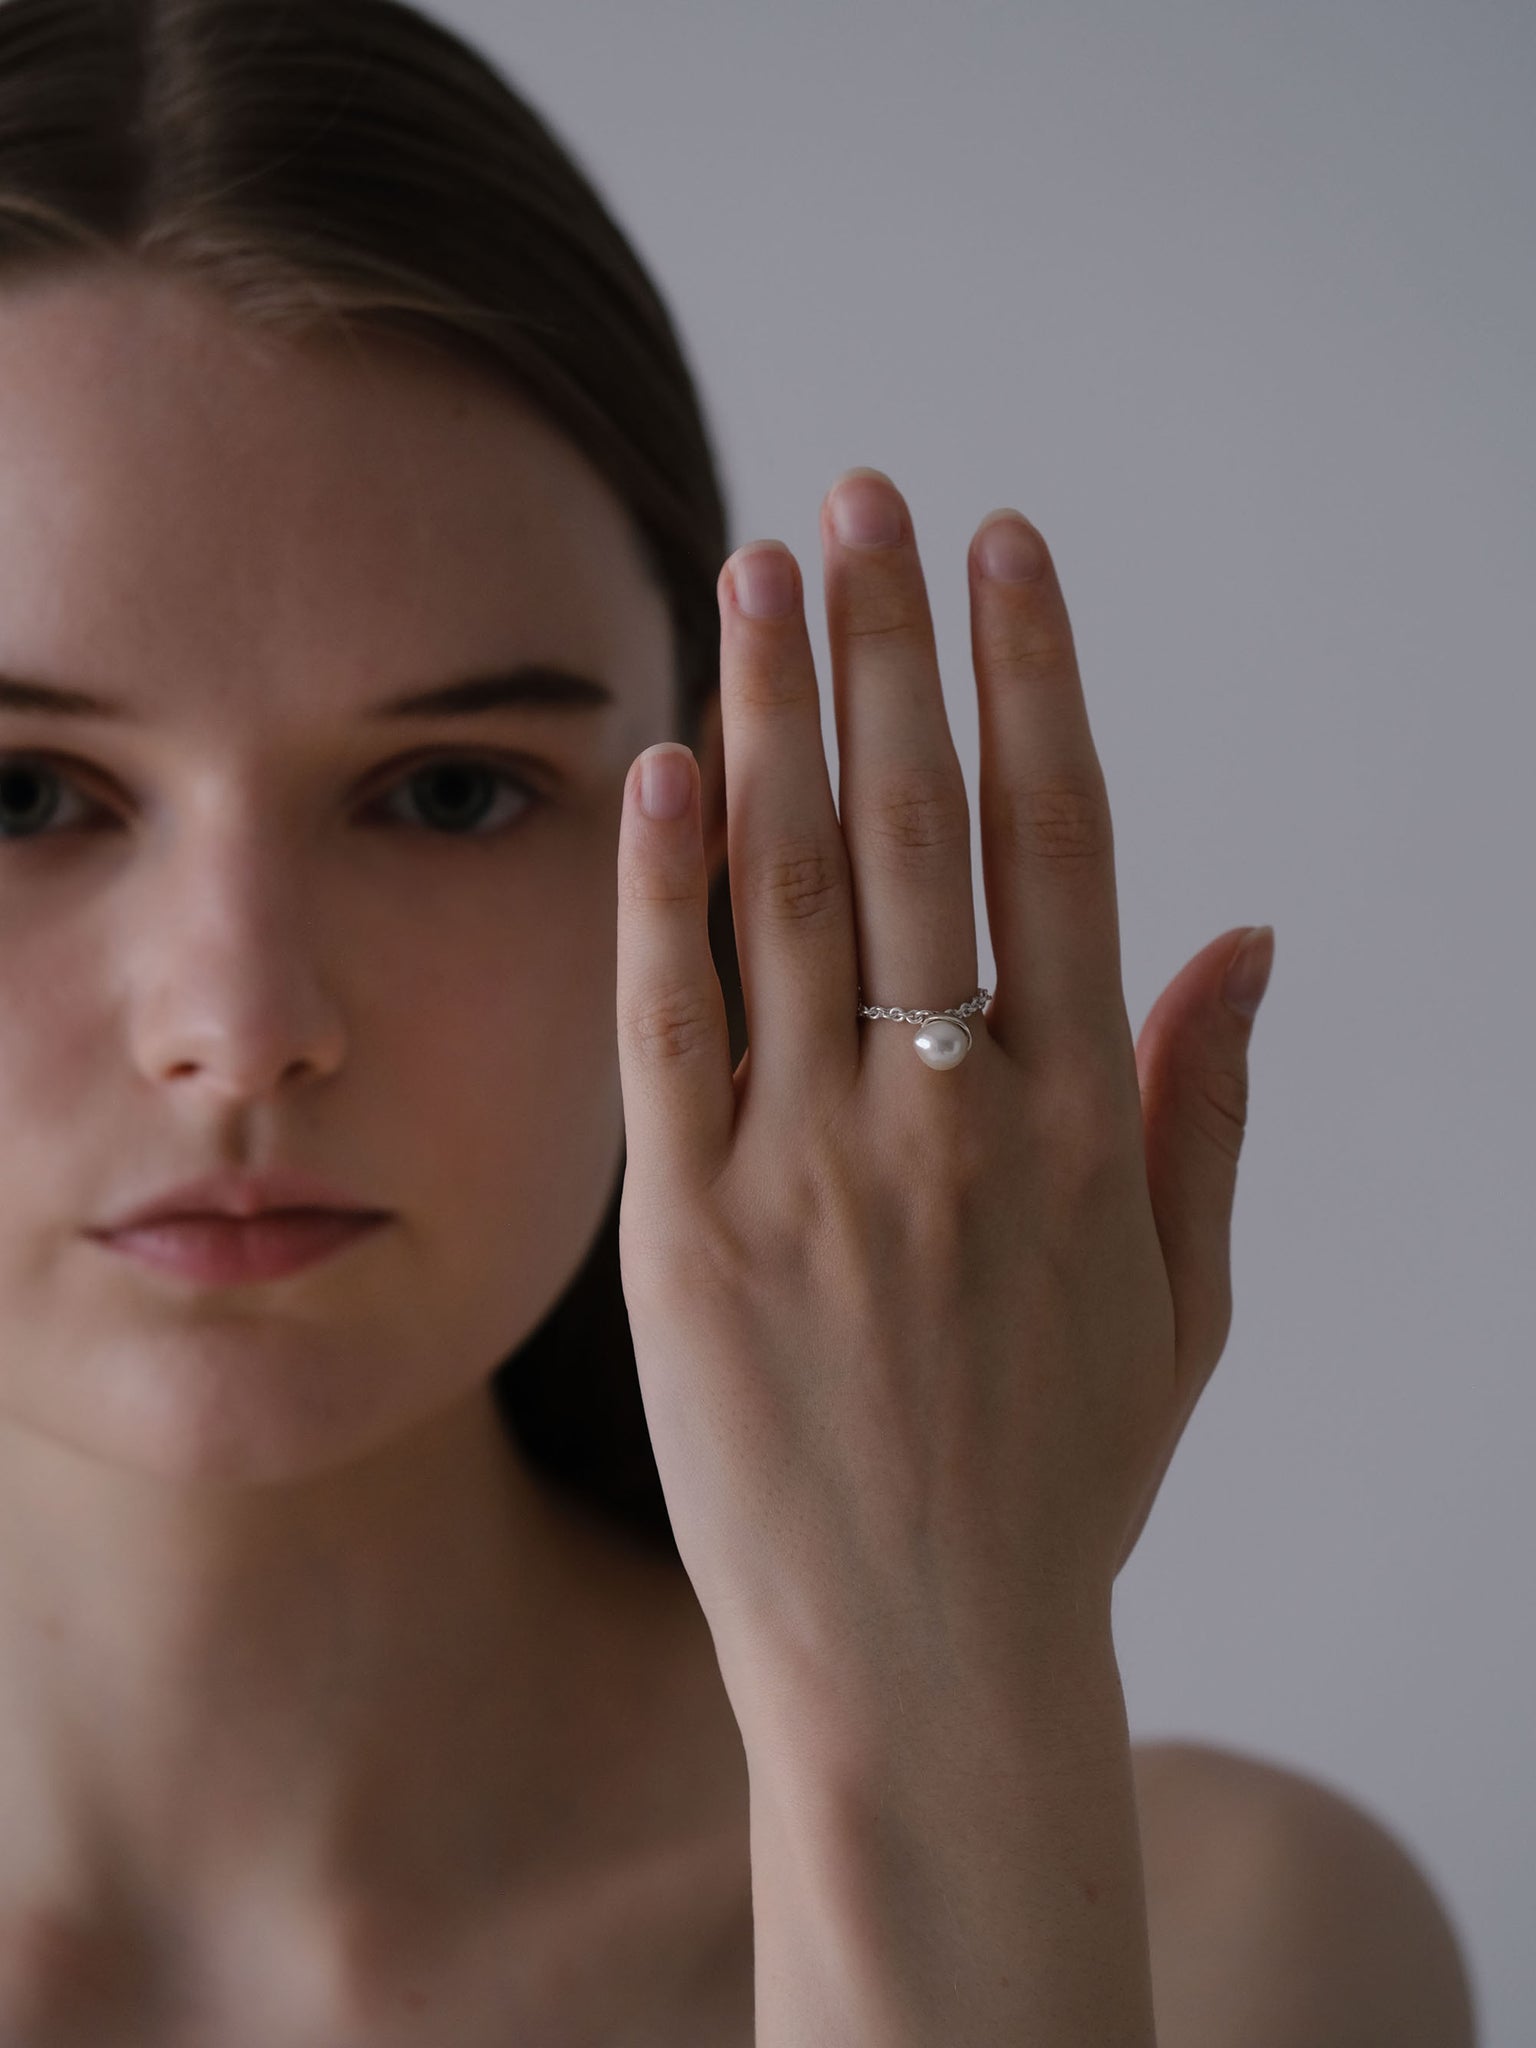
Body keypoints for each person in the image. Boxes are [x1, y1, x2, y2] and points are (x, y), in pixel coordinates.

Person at [0, 2, 1479, 2043]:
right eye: (25, 795)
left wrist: (932, 1704)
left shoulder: (1236, 1947)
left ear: (709, 856)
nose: (242, 1028)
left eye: (448, 791)